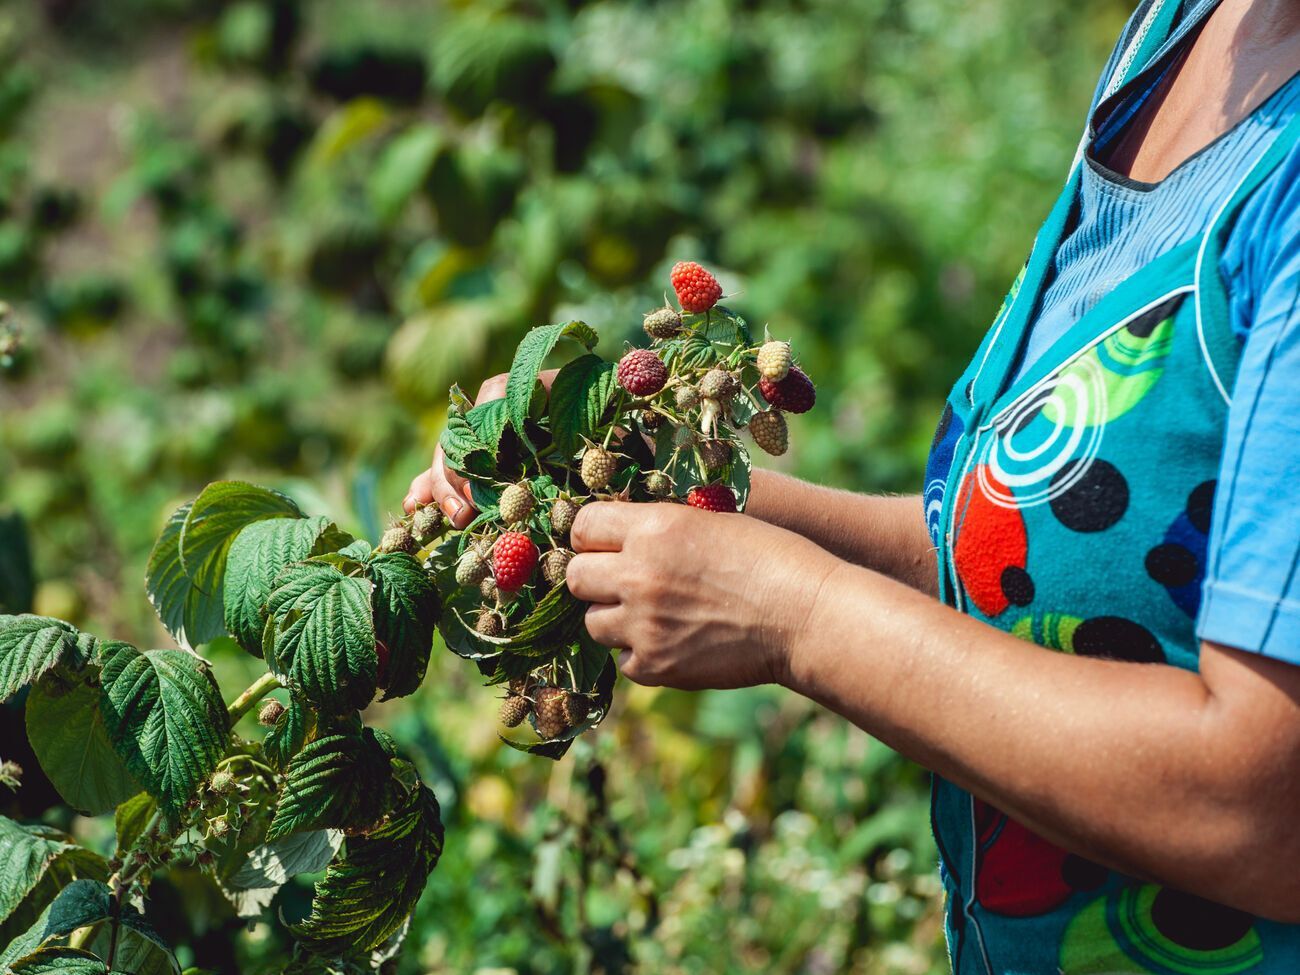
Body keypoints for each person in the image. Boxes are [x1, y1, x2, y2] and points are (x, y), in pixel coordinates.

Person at [405, 0, 1300, 971]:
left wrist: (799, 618)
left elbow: (1258, 813)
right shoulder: (1186, 29)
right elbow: (1033, 567)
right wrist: (633, 467)